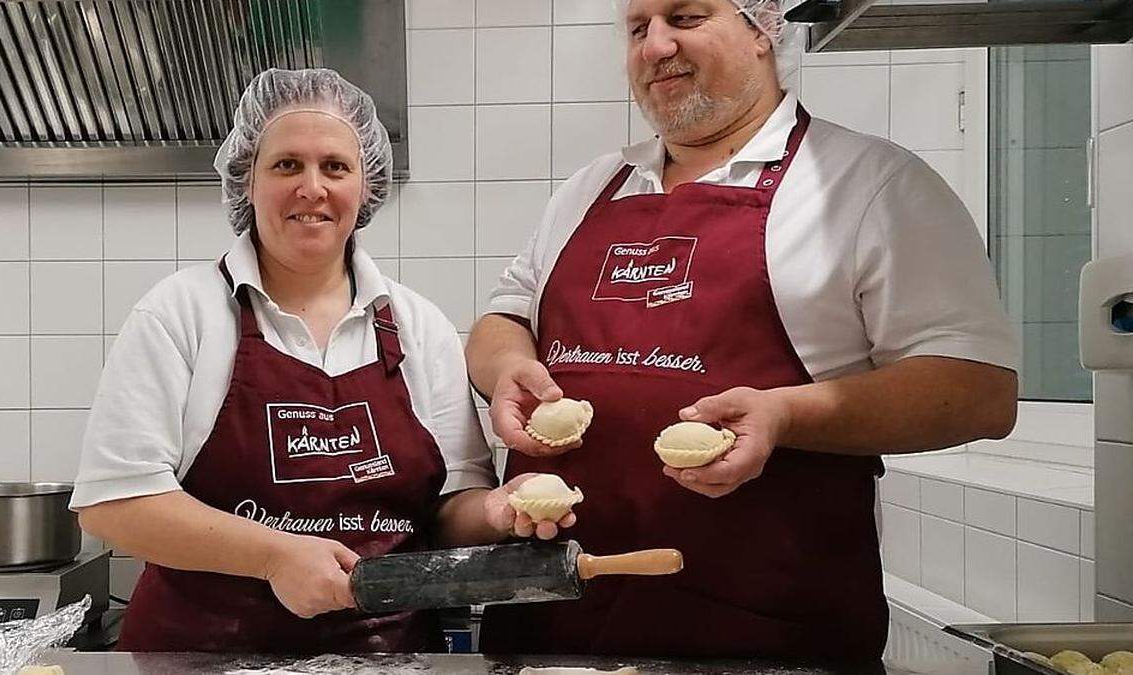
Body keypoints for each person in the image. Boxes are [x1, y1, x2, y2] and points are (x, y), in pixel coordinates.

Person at [466, 0, 1018, 662]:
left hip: (761, 637)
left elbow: (980, 389)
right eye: (639, 28)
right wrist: (504, 372)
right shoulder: (591, 188)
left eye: (685, 17)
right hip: (549, 634)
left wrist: (786, 415)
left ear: (763, 30)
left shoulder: (869, 186)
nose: (654, 47)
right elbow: (504, 317)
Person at [70, 68, 573, 654]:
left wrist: (496, 509)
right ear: (247, 182)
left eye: (335, 166)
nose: (313, 187)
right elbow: (114, 504)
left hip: (391, 656)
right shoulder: (182, 314)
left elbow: (449, 504)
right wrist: (273, 556)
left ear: (365, 188)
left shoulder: (419, 326)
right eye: (287, 165)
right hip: (203, 656)